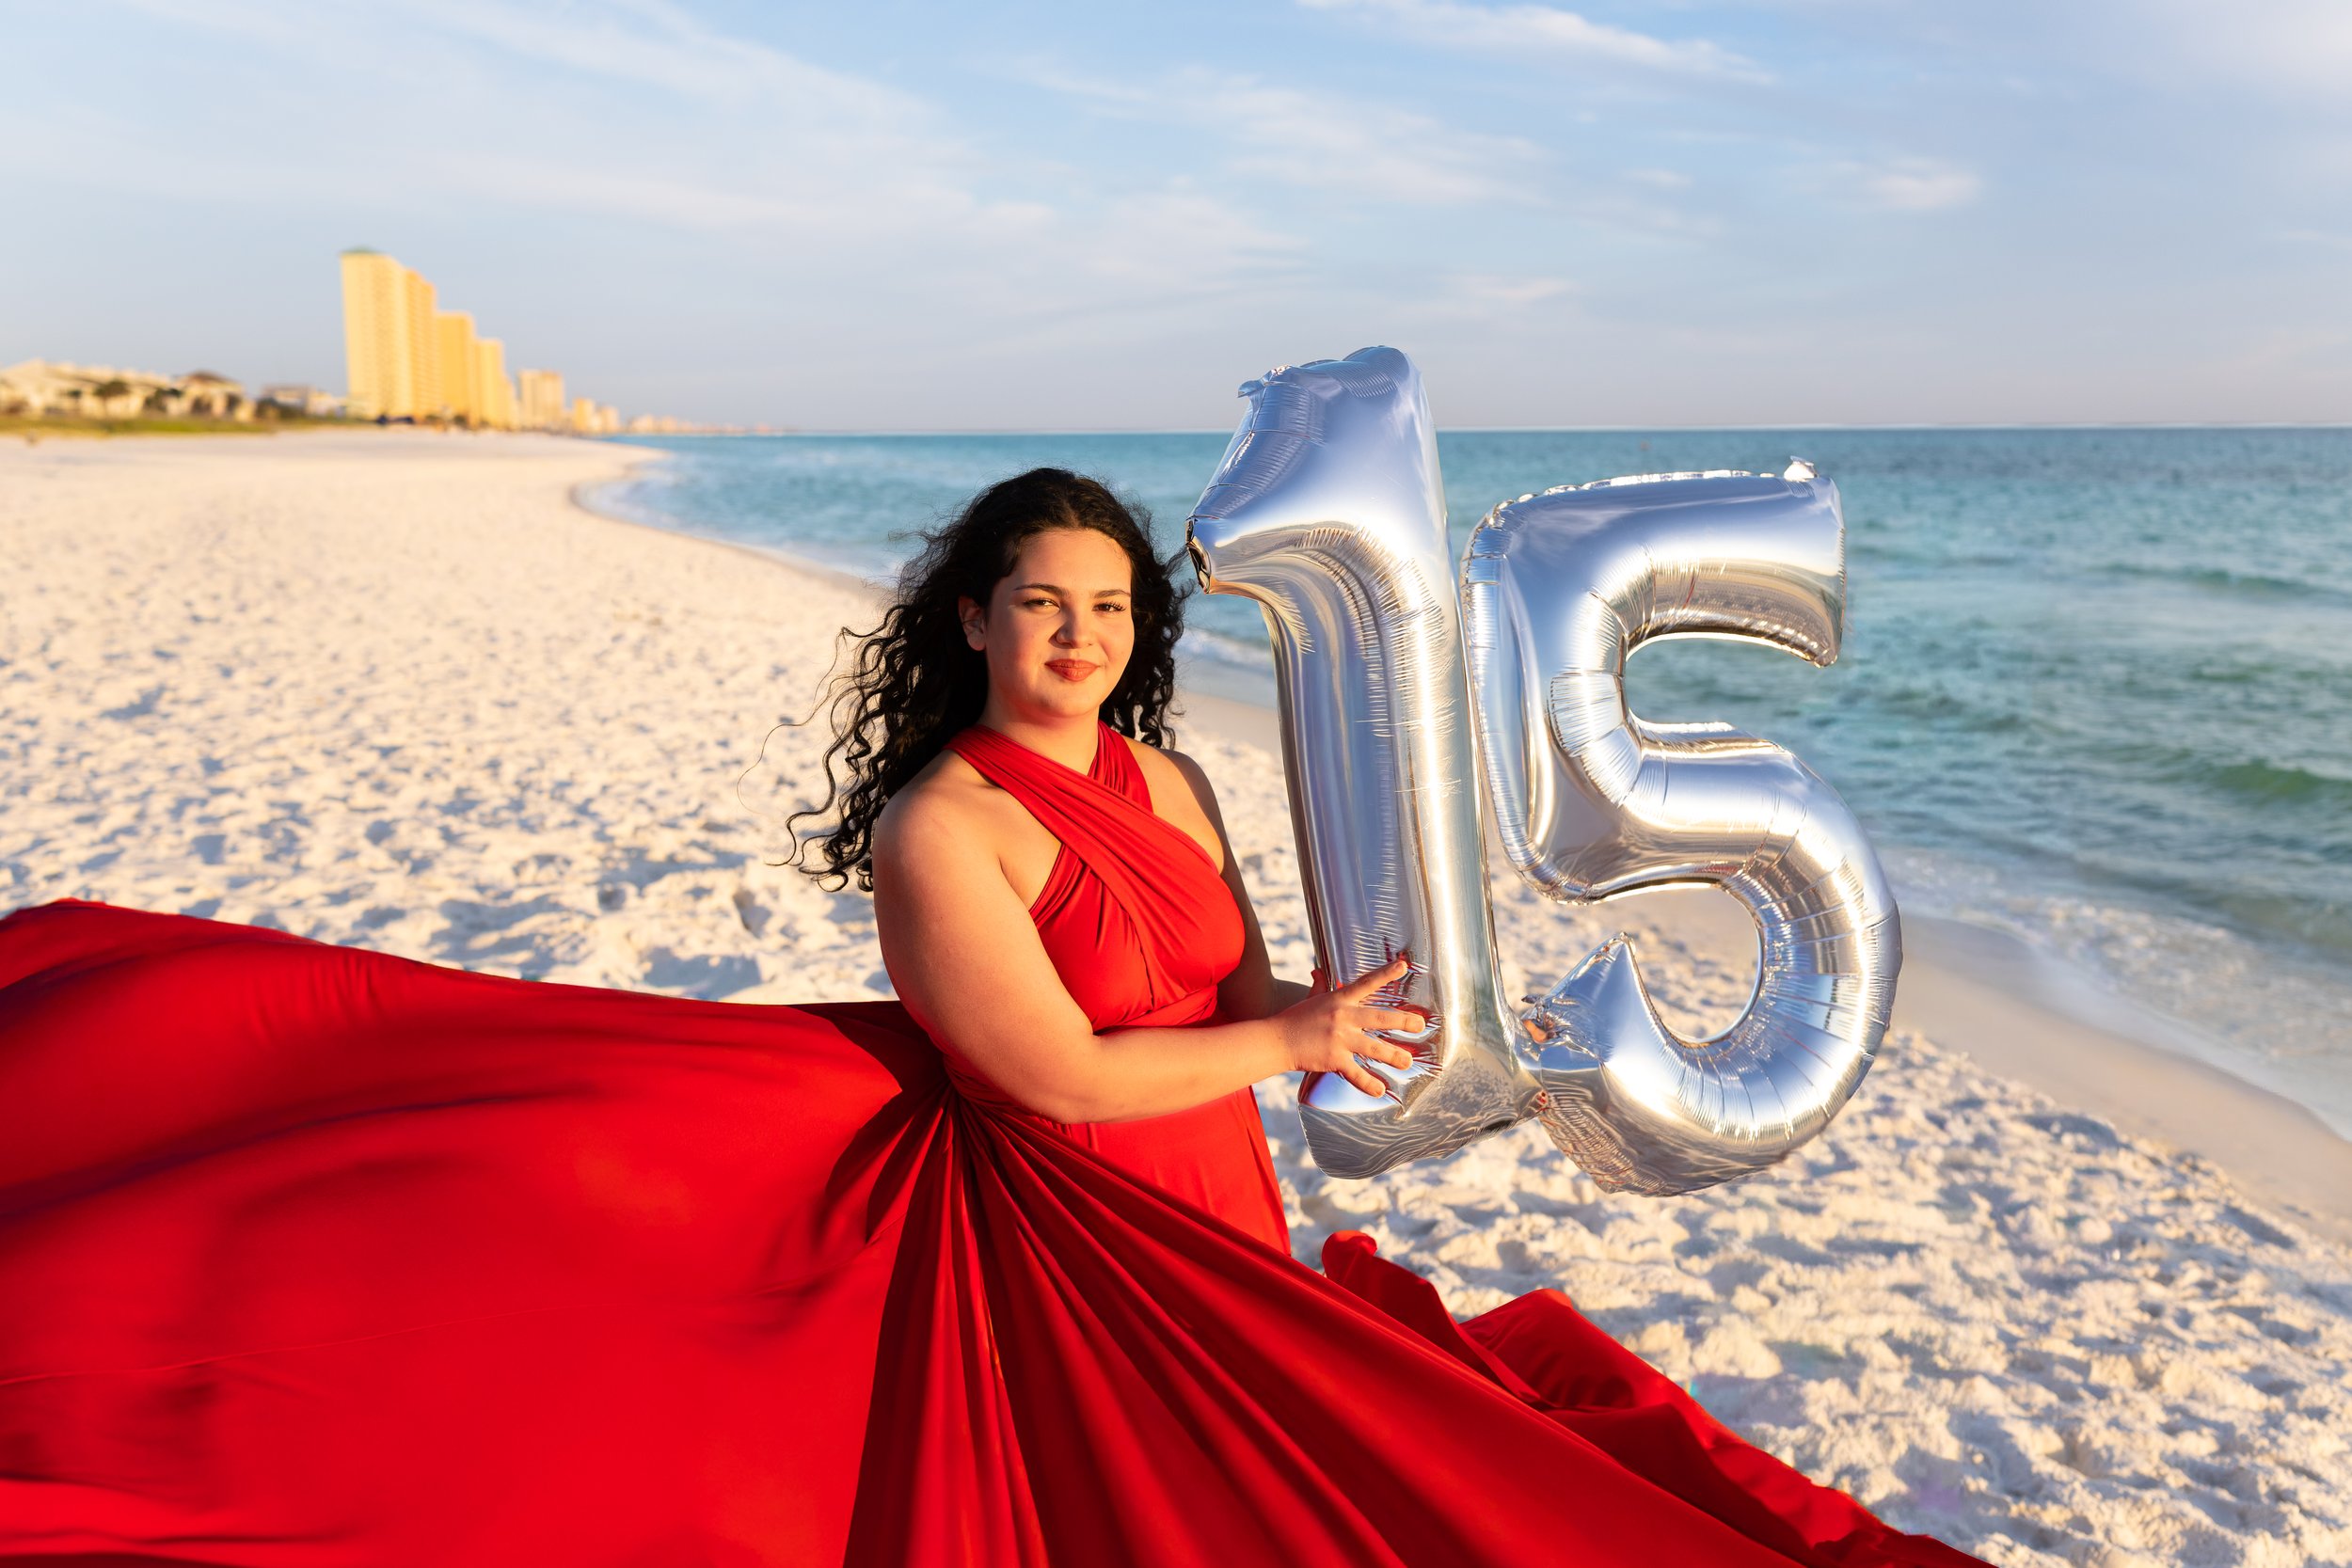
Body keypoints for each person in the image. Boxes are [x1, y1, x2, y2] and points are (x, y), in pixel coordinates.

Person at [0, 469, 1985, 1566]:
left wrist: (1337, 1010)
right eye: (1040, 601)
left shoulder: (1169, 784)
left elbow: (1221, 990)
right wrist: (1288, 1051)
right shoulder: (942, 823)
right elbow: (1036, 1075)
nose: (1078, 636)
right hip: (1061, 1226)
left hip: (1213, 1200)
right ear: (968, 614)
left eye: (1110, 609)